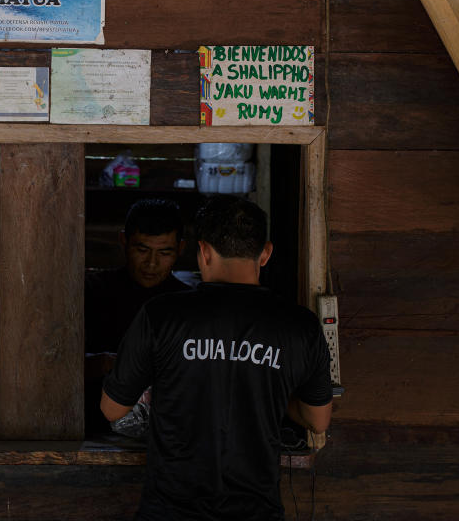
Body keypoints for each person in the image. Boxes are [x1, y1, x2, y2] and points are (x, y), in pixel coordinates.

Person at [101, 195, 332, 520]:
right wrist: (271, 393)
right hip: (255, 511)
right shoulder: (300, 326)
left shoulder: (161, 315)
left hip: (170, 511)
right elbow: (318, 420)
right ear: (265, 253)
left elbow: (112, 408)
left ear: (203, 252)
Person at [84, 198, 189, 434]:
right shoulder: (91, 293)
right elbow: (53, 364)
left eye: (164, 252)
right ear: (123, 241)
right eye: (142, 250)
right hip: (93, 428)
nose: (151, 263)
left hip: (167, 434)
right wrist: (105, 363)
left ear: (180, 249)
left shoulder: (188, 304)